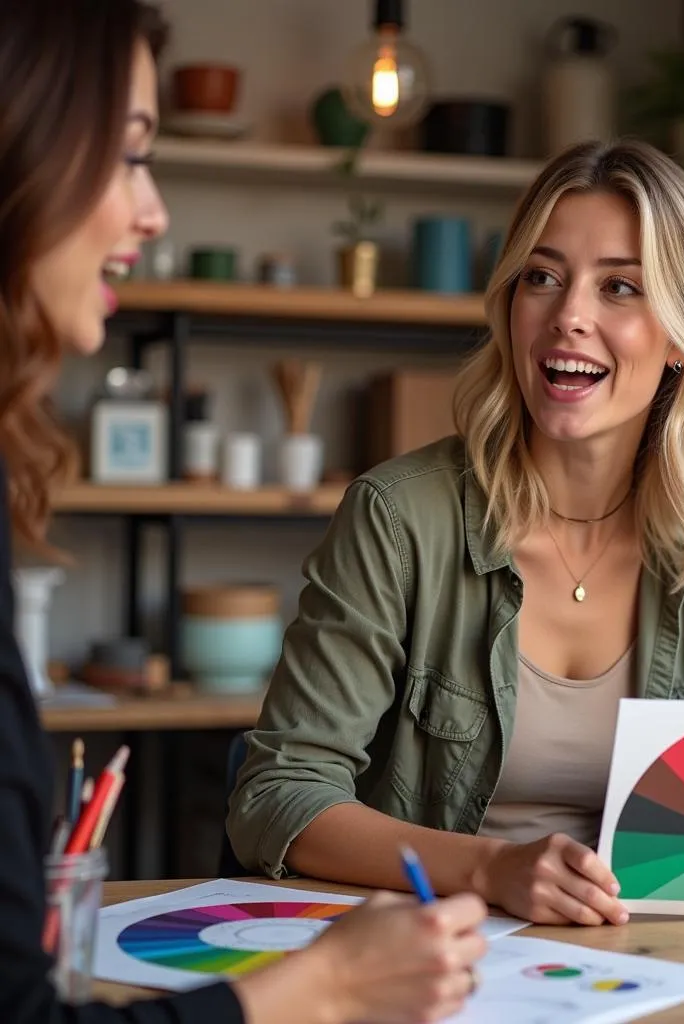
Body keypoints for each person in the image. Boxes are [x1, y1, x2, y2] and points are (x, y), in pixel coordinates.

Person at [227, 138, 684, 932]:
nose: (569, 316)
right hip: (440, 952)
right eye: (542, 278)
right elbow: (279, 794)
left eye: (620, 287)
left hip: (651, 965)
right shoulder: (400, 518)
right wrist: (492, 870)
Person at [0, 3, 486, 1023]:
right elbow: (283, 790)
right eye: (128, 157)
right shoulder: (401, 508)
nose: (154, 212)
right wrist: (324, 985)